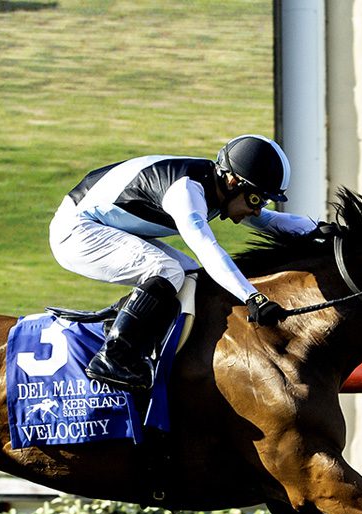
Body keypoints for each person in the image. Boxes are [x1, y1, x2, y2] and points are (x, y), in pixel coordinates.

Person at [49, 134, 319, 392]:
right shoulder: (186, 193)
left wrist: (319, 230)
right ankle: (114, 357)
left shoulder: (219, 187)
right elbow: (208, 249)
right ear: (234, 182)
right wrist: (253, 297)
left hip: (103, 224)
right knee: (166, 270)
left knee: (190, 274)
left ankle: (148, 344)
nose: (257, 209)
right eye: (256, 199)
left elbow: (269, 221)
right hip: (77, 231)